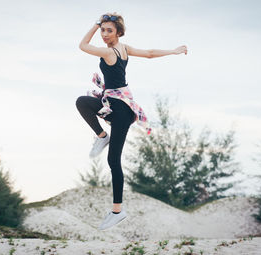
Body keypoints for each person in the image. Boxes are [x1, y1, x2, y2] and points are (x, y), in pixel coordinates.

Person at [76, 12, 187, 230]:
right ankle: (101, 136)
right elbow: (149, 53)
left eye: (109, 30)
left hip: (121, 111)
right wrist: (173, 51)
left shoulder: (109, 53)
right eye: (102, 31)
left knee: (113, 160)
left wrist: (95, 23)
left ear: (118, 32)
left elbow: (82, 45)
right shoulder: (124, 49)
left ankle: (117, 211)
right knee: (83, 102)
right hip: (116, 105)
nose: (104, 34)